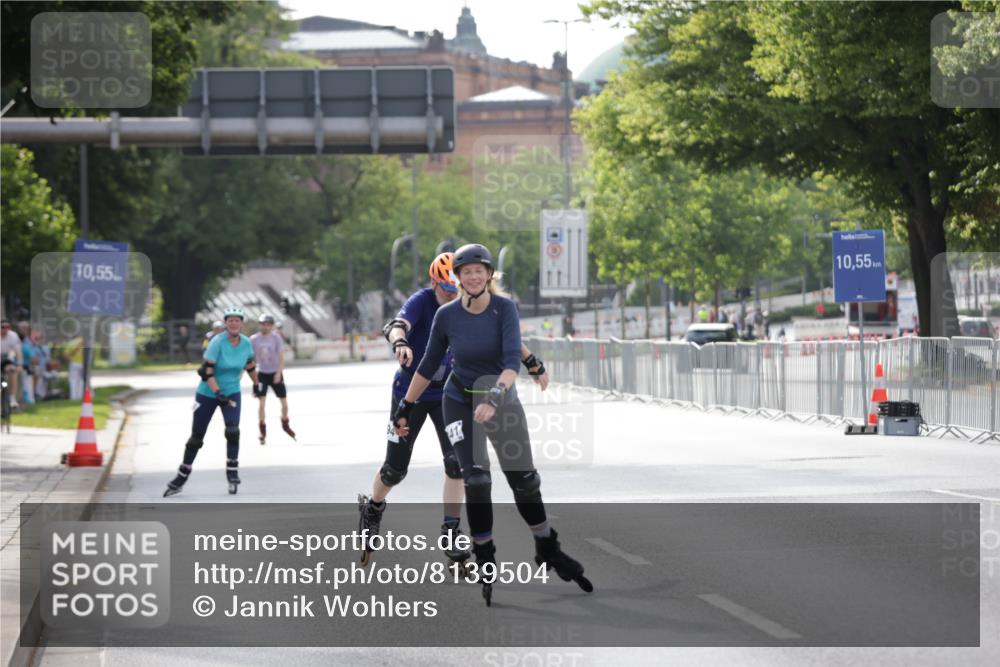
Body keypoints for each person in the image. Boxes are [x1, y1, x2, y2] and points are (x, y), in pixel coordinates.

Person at [391, 243, 591, 606]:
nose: (473, 276)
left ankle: (547, 545)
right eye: (466, 272)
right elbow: (427, 364)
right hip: (459, 400)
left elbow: (512, 359)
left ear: (489, 275)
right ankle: (485, 557)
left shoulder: (505, 309)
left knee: (525, 481)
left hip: (501, 399)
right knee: (477, 480)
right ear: (458, 278)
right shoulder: (447, 316)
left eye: (479, 270)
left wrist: (497, 396)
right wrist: (404, 406)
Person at [359, 253, 551, 569]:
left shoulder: (472, 303)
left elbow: (501, 337)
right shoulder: (423, 302)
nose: (454, 293)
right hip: (412, 393)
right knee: (395, 469)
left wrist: (531, 362)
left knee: (457, 466)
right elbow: (396, 325)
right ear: (435, 283)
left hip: (449, 396)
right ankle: (374, 507)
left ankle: (450, 531)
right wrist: (400, 343)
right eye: (447, 288)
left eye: (456, 287)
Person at [164, 306, 259, 497]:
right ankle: (181, 476)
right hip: (208, 393)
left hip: (232, 391)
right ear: (225, 323)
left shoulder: (247, 343)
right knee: (197, 437)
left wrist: (257, 384)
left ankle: (232, 472)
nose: (233, 324)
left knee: (233, 431)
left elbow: (249, 365)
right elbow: (207, 372)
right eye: (230, 320)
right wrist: (218, 393)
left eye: (237, 320)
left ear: (241, 323)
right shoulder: (217, 342)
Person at [250, 313, 295, 445]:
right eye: (263, 324)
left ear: (272, 326)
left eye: (268, 324)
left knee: (284, 402)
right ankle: (262, 430)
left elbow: (281, 357)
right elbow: (249, 358)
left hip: (275, 372)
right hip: (261, 373)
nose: (266, 326)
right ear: (260, 325)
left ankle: (285, 422)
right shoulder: (253, 339)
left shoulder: (276, 338)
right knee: (261, 403)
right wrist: (253, 375)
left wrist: (278, 373)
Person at [0, 320, 21, 410]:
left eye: (7, 327)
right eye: (2, 327)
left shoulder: (13, 336)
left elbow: (18, 352)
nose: (5, 330)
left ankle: (13, 398)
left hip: (8, 358)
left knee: (13, 372)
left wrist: (20, 365)